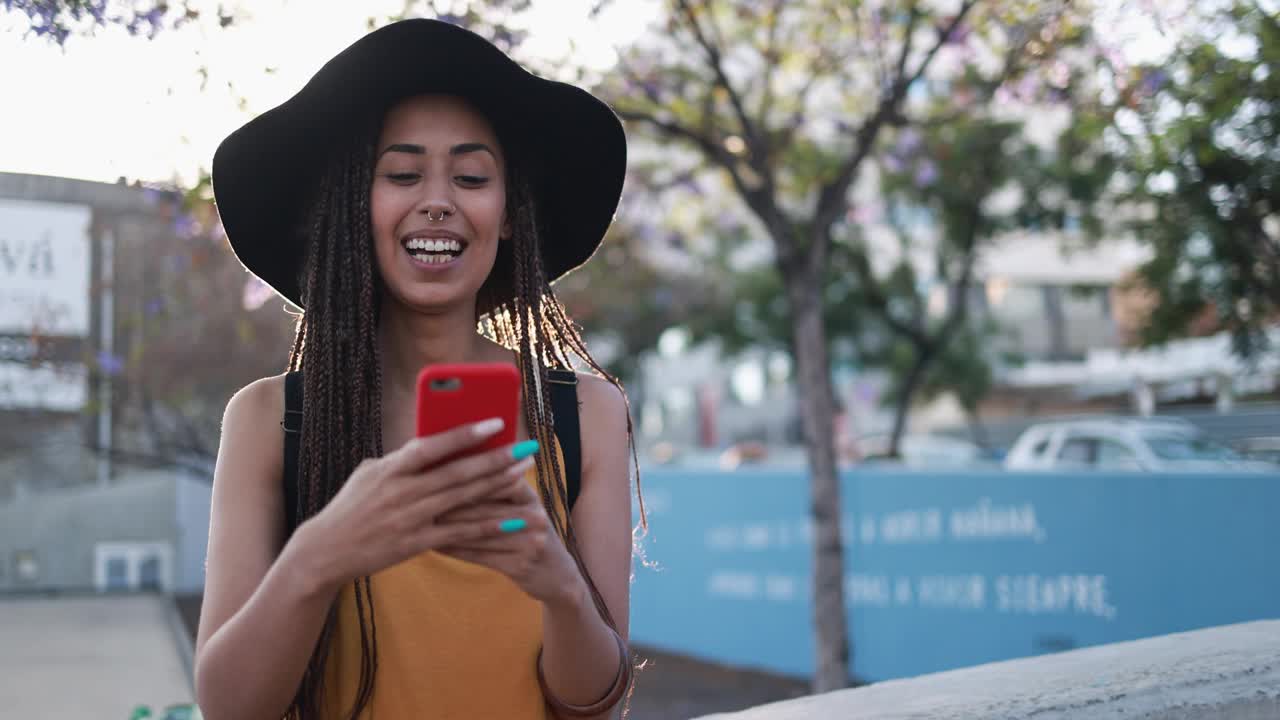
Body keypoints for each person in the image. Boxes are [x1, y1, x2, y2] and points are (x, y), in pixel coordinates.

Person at [194, 19, 637, 720]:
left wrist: (561, 589)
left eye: (471, 176)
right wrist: (320, 557)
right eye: (401, 173)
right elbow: (227, 708)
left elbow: (597, 707)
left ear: (511, 213)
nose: (439, 200)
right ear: (351, 209)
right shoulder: (268, 421)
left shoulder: (585, 416)